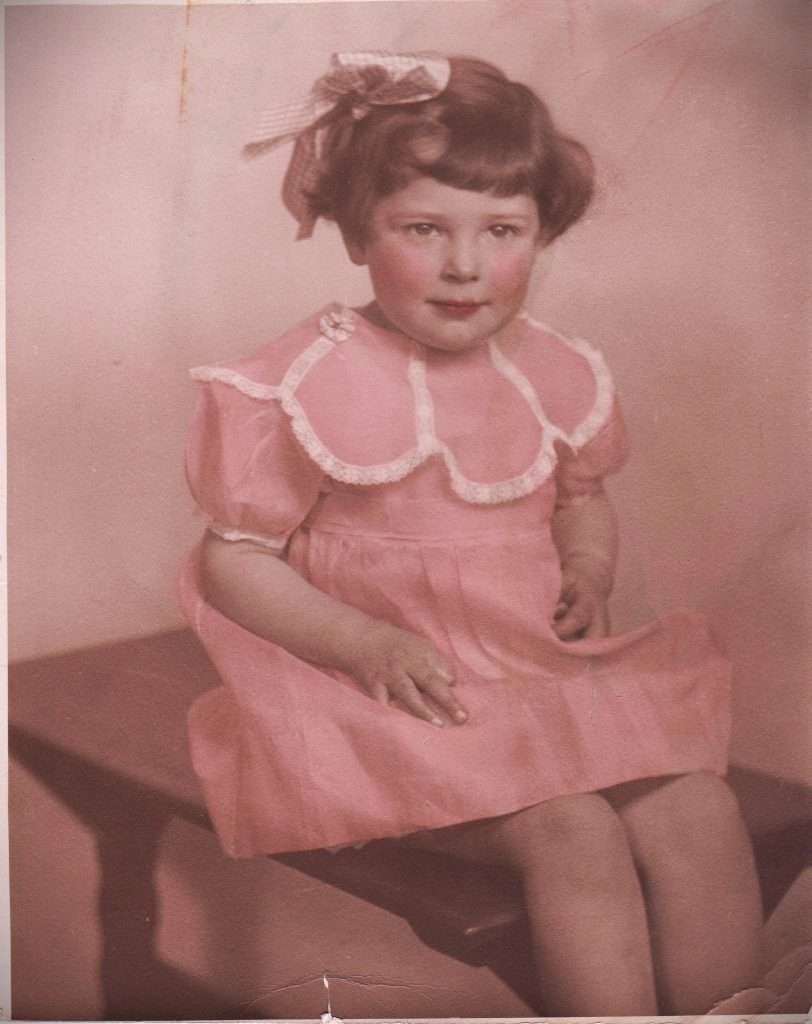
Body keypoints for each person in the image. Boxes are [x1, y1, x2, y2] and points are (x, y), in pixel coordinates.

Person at [180, 52, 762, 1014]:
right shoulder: (305, 381)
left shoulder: (553, 370)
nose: (465, 265)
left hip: (531, 676)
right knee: (575, 833)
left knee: (701, 804)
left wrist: (587, 562)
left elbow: (580, 495)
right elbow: (233, 561)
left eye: (501, 231)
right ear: (358, 233)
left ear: (541, 232)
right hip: (387, 705)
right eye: (424, 229)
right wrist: (360, 640)